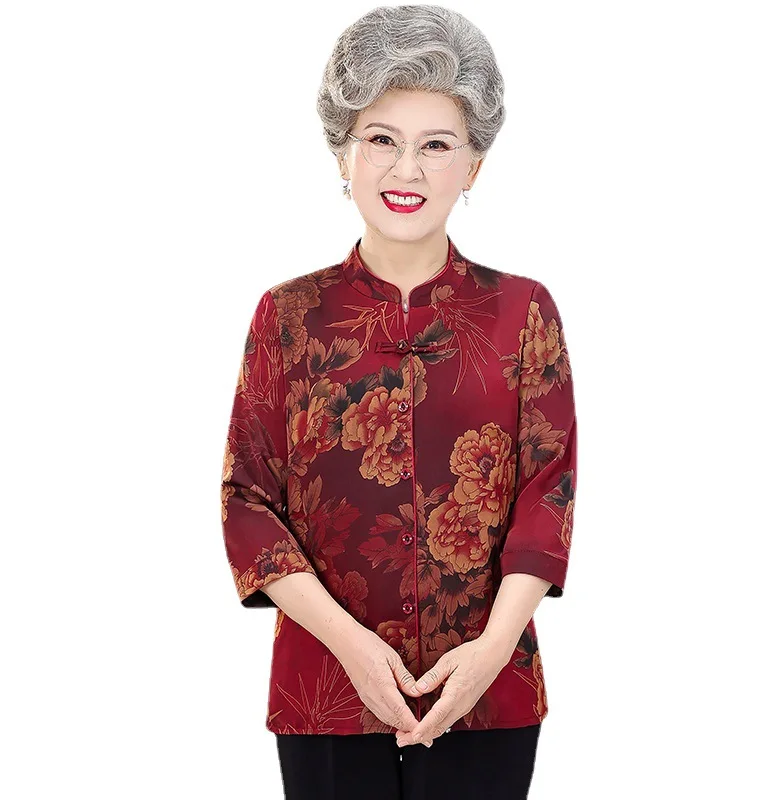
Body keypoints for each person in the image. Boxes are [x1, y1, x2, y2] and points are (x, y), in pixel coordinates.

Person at [219, 5, 578, 798]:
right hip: (324, 688)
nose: (406, 170)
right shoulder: (288, 316)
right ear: (343, 153)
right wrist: (350, 646)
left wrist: (489, 653)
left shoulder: (523, 312)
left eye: (436, 145)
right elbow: (247, 501)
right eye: (382, 139)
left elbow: (547, 493)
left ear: (473, 166)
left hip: (487, 690)